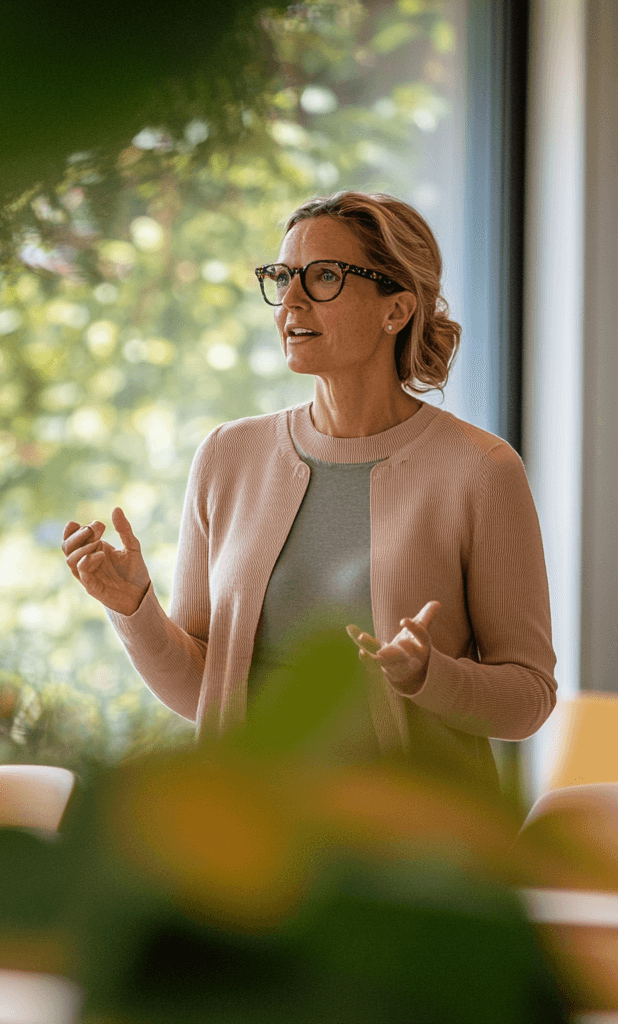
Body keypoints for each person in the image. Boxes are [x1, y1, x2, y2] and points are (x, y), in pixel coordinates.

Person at [60, 191, 556, 785]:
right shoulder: (227, 457)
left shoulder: (480, 468)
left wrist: (430, 675)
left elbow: (529, 697)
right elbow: (204, 695)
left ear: (395, 310)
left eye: (323, 277)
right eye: (282, 276)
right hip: (256, 842)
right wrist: (135, 609)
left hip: (417, 852)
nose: (290, 300)